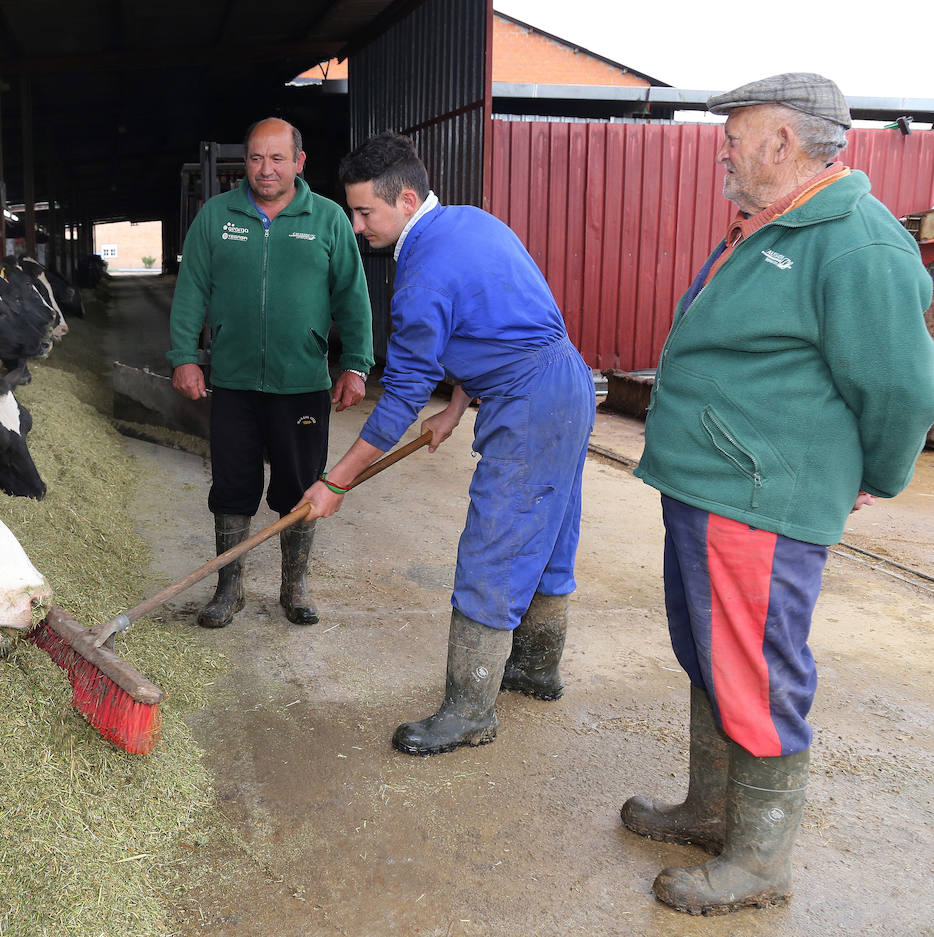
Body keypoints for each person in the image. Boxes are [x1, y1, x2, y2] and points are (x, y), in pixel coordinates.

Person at [620, 73, 934, 915]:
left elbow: (901, 388)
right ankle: (713, 808)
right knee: (711, 657)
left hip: (757, 497)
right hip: (706, 483)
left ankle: (759, 860)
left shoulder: (857, 241)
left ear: (784, 143)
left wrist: (874, 473)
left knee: (757, 669)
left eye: (736, 132)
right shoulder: (769, 224)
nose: (723, 144)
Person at [296, 131, 596, 757]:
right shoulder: (468, 223)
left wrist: (337, 480)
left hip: (529, 398)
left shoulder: (422, 269)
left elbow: (403, 393)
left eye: (364, 212)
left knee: (497, 541)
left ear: (405, 199)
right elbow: (492, 318)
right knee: (548, 529)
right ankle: (536, 669)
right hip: (562, 380)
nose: (356, 227)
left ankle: (468, 711)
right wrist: (457, 407)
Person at [169, 117, 373, 629]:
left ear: (299, 162)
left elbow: (353, 298)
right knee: (232, 486)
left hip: (302, 384)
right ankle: (229, 589)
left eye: (278, 158)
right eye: (257, 158)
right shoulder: (216, 216)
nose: (266, 168)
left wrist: (355, 364)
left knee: (300, 486)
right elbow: (191, 289)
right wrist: (183, 355)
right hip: (234, 382)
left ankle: (294, 586)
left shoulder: (327, 219)